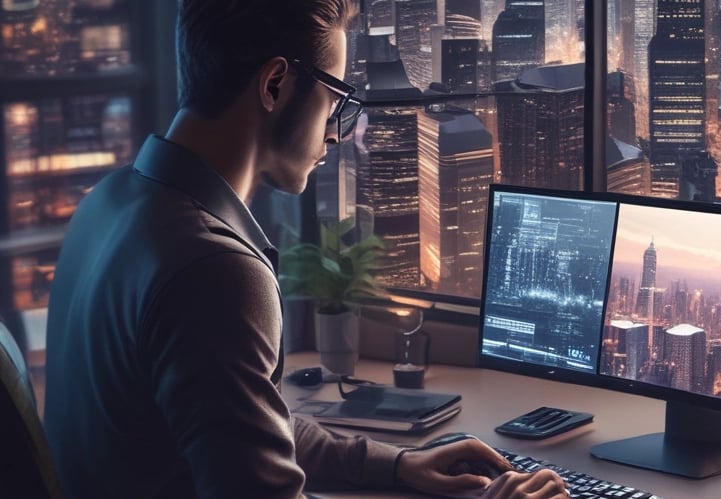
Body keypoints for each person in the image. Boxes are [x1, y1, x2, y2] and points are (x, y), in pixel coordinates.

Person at [42, 1, 568, 498]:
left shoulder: (108, 204)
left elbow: (244, 423)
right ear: (274, 85)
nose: (337, 134)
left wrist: (398, 464)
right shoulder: (214, 268)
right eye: (336, 101)